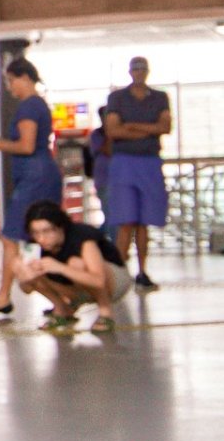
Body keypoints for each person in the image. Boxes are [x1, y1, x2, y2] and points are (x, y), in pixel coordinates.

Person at [0, 58, 63, 315]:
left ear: (25, 77)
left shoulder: (29, 107)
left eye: (11, 80)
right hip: (41, 174)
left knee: (10, 236)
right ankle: (59, 298)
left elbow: (26, 146)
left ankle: (3, 296)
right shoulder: (38, 105)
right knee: (45, 237)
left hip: (35, 177)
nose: (10, 86)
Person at [17, 200, 131, 334]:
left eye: (46, 231)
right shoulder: (35, 245)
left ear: (60, 227)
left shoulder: (82, 236)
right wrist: (26, 277)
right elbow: (26, 289)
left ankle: (105, 311)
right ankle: (62, 310)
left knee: (76, 263)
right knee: (20, 264)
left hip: (114, 282)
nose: (41, 238)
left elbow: (98, 280)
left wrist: (60, 268)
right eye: (35, 233)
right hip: (75, 287)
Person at [104, 57, 169, 290]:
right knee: (125, 220)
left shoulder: (159, 97)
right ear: (130, 72)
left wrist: (132, 126)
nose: (139, 73)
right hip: (124, 165)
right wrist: (148, 130)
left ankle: (142, 271)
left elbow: (165, 127)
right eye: (136, 69)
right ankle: (120, 273)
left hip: (149, 163)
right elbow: (113, 130)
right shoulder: (117, 98)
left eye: (143, 69)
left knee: (143, 221)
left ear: (147, 72)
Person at [87, 106, 113, 242]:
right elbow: (107, 150)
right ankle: (99, 240)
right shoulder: (96, 135)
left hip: (118, 180)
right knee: (109, 215)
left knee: (114, 216)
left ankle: (96, 239)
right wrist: (109, 132)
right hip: (103, 181)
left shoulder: (119, 135)